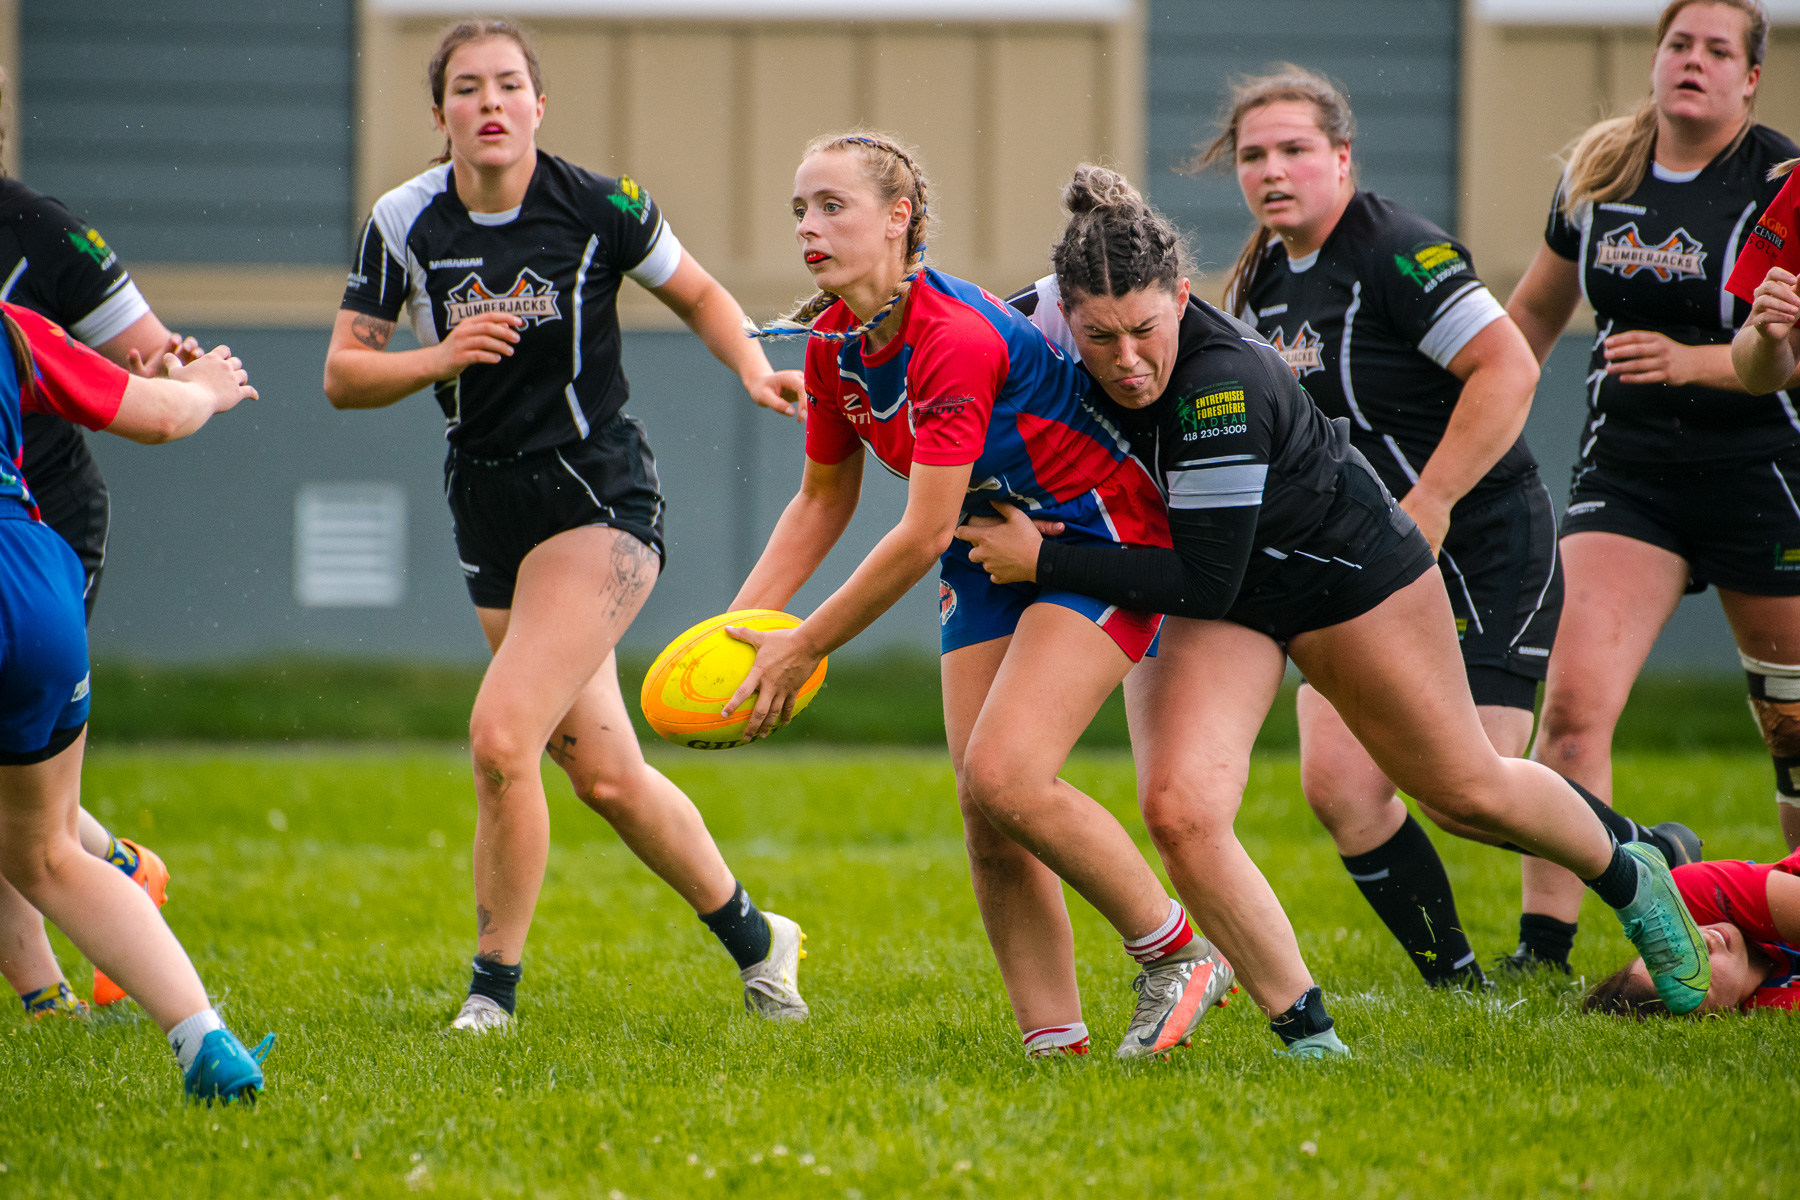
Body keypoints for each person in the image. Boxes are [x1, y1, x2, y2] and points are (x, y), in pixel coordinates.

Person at [957, 165, 1718, 1020]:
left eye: (1142, 330)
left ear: (1178, 296)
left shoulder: (1221, 383)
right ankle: (1308, 1034)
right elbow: (955, 338)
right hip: (1227, 593)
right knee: (1180, 812)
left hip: (1346, 575)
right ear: (1066, 311)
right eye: (1099, 338)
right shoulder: (1039, 317)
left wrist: (1044, 562)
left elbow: (1201, 579)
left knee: (1462, 786)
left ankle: (1631, 870)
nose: (1126, 363)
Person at [322, 21, 809, 1034]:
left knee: (502, 740)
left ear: (540, 105)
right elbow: (345, 375)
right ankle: (762, 943)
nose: (489, 103)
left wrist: (756, 367)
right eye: (467, 88)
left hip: (597, 496)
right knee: (607, 779)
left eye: (509, 85)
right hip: (486, 502)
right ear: (440, 115)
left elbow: (701, 292)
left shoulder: (602, 206)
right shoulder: (404, 220)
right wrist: (440, 358)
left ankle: (490, 996)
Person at [727, 131, 1235, 1060]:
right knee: (983, 800)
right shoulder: (837, 346)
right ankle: (1055, 1044)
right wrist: (740, 628)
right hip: (989, 546)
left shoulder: (952, 337)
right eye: (800, 208)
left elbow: (919, 532)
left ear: (899, 217)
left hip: (1095, 535)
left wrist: (804, 644)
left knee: (1008, 772)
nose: (809, 225)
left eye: (832, 206)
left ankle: (1178, 956)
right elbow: (820, 501)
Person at [1190, 65, 1701, 988]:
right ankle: (1458, 986)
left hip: (1476, 542)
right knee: (1342, 787)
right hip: (1360, 560)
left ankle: (1654, 863)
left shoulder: (1396, 249)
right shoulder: (1263, 277)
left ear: (1342, 159)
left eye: (1296, 150)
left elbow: (1507, 367)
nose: (1272, 171)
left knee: (1466, 787)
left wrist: (1429, 503)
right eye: (1253, 155)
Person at [1506, 0, 1800, 971]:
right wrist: (1469, 439)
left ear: (1751, 79)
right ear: (1656, 57)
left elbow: (1780, 363)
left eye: (1720, 50)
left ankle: (1790, 929)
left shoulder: (1781, 184)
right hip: (1629, 480)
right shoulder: (1599, 173)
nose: (1695, 62)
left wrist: (1695, 361)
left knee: (1792, 726)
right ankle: (1544, 944)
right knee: (1575, 712)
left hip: (1763, 473)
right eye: (1680, 43)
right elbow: (1531, 322)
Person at [0, 300, 270, 1100]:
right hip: (35, 583)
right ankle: (204, 1042)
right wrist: (207, 387)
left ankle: (56, 977)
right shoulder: (12, 326)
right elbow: (157, 416)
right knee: (43, 849)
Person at [0, 68, 203, 1016]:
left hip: (37, 527)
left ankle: (46, 1000)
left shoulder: (40, 229)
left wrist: (180, 375)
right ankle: (116, 872)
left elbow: (147, 356)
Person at [1586, 847, 1800, 1015]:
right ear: (1717, 1014)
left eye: (1671, 942)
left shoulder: (1687, 898)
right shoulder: (1778, 1007)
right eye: (1690, 971)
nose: (1699, 943)